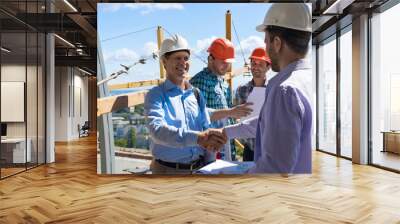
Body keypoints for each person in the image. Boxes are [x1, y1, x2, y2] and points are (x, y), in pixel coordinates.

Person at [218, 3, 313, 174]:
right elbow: (267, 124)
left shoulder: (284, 90)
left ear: (277, 43)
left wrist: (238, 177)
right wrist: (225, 131)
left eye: (266, 41)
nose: (267, 48)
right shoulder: (307, 78)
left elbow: (275, 168)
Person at [144, 34, 226, 174]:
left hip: (199, 169)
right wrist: (197, 138)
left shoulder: (196, 94)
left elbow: (206, 127)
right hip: (167, 172)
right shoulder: (156, 95)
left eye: (186, 58)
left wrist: (211, 163)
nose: (183, 62)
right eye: (177, 58)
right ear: (164, 61)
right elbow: (157, 131)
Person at [190, 38, 252, 161]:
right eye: (223, 61)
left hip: (226, 146)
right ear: (210, 59)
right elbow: (197, 118)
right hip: (211, 149)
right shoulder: (200, 81)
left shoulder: (223, 83)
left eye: (228, 62)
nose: (227, 66)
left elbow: (229, 115)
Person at [235, 47, 271, 161]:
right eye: (254, 63)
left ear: (268, 67)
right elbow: (237, 116)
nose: (256, 67)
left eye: (260, 64)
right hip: (249, 149)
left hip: (270, 149)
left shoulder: (274, 89)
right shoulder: (242, 90)